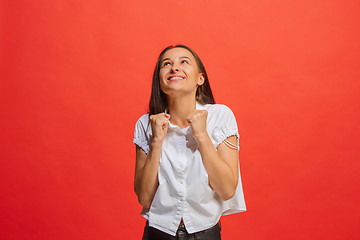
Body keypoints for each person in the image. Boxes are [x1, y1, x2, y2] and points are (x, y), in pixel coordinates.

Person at [133, 45, 246, 240]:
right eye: (166, 64)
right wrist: (157, 142)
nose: (174, 68)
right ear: (160, 83)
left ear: (200, 79)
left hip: (206, 234)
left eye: (183, 62)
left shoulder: (221, 116)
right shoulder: (146, 124)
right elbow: (144, 197)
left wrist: (202, 136)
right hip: (157, 234)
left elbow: (227, 190)